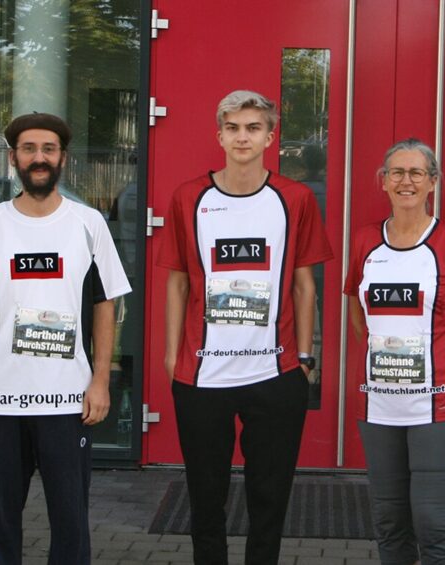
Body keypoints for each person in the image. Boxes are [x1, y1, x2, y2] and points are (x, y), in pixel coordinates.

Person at [157, 90, 333, 565]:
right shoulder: (188, 197)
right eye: (233, 127)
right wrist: (172, 355)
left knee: (270, 499)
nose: (242, 136)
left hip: (274, 376)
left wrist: (307, 357)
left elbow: (304, 286)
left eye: (253, 128)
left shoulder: (294, 198)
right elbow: (176, 283)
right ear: (219, 135)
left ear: (270, 138)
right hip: (202, 376)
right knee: (205, 497)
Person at [0, 112, 132, 564]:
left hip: (67, 401)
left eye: (48, 149)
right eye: (29, 149)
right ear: (13, 157)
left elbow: (104, 305)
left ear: (63, 159)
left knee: (70, 522)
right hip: (1, 402)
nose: (39, 158)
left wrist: (100, 381)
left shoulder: (89, 224)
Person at [345, 139, 445, 565]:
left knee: (432, 520)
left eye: (415, 173)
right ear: (383, 182)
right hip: (378, 406)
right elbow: (357, 310)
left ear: (433, 183)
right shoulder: (363, 242)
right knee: (389, 520)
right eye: (396, 172)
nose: (405, 181)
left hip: (437, 407)